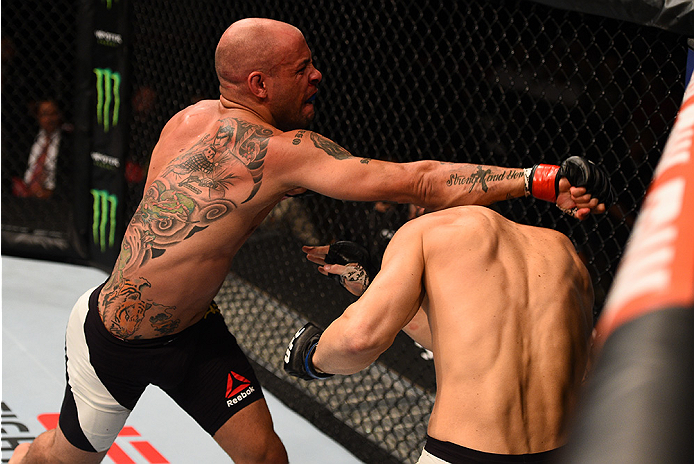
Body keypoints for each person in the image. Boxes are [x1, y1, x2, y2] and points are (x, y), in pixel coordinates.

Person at [10, 17, 607, 464]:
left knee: (267, 457)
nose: (318, 74)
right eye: (303, 67)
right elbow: (418, 179)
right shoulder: (280, 153)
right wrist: (537, 180)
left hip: (193, 333)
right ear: (259, 83)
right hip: (113, 338)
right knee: (63, 457)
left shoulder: (191, 119)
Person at [285, 205, 595, 463]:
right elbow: (579, 368)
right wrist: (371, 290)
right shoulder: (562, 248)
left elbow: (357, 339)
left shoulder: (426, 231)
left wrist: (312, 358)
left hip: (464, 453)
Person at [11, 99, 72, 199]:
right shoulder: (26, 138)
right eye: (44, 114)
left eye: (53, 114)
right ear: (38, 116)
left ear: (60, 115)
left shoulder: (67, 143)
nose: (49, 119)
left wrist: (52, 193)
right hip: (22, 196)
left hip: (54, 198)